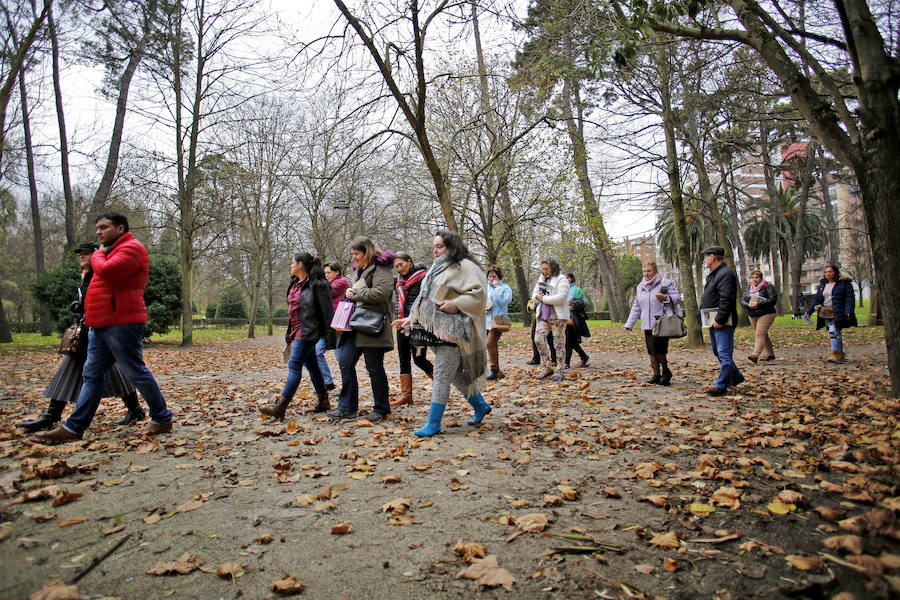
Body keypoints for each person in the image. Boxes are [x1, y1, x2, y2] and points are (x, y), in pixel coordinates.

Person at [36, 212, 174, 442]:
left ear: (120, 228)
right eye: (97, 228)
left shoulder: (131, 249)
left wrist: (98, 254)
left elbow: (107, 271)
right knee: (92, 376)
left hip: (122, 324)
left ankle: (161, 417)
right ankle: (74, 428)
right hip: (100, 325)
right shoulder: (110, 251)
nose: (98, 232)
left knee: (135, 372)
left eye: (103, 227)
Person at [21, 242, 144, 432]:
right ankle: (135, 409)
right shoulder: (87, 274)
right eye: (81, 253)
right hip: (92, 331)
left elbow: (105, 299)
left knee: (76, 368)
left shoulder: (99, 274)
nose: (82, 256)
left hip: (99, 331)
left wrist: (85, 307)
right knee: (111, 369)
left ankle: (53, 416)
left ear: (96, 256)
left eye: (86, 253)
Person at [394, 230, 491, 436]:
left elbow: (479, 294)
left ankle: (434, 423)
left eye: (440, 246)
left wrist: (457, 304)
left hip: (455, 331)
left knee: (440, 375)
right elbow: (424, 297)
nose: (435, 250)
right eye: (434, 247)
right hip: (437, 331)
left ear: (452, 246)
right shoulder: (436, 268)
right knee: (455, 375)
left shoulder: (465, 266)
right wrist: (410, 318)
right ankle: (481, 406)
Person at [327, 237, 395, 421]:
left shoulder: (381, 269)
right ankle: (347, 408)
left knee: (374, 369)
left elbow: (381, 293)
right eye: (353, 254)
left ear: (367, 252)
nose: (354, 257)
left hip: (373, 326)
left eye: (356, 253)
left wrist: (355, 293)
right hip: (356, 325)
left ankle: (381, 409)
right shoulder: (360, 270)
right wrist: (351, 293)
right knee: (346, 362)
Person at [260, 253, 334, 420]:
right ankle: (323, 401)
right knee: (312, 365)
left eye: (292, 263)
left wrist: (330, 336)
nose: (290, 265)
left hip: (309, 331)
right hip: (297, 329)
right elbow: (293, 310)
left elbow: (327, 311)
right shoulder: (295, 283)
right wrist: (289, 334)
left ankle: (281, 406)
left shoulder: (318, 284)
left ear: (300, 265)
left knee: (294, 364)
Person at [624, 262, 681, 385]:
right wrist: (630, 323)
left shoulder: (665, 283)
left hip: (661, 323)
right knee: (651, 350)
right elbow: (637, 306)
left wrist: (665, 298)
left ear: (655, 271)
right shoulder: (641, 286)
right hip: (647, 323)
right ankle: (656, 374)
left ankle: (666, 372)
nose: (646, 274)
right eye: (644, 271)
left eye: (649, 271)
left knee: (659, 350)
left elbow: (677, 298)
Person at [699, 246, 743, 396]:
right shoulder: (714, 275)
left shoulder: (725, 274)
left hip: (722, 321)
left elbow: (727, 298)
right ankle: (736, 376)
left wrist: (720, 319)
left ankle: (721, 385)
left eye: (706, 257)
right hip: (713, 320)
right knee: (717, 351)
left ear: (712, 257)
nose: (705, 260)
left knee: (724, 352)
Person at [391, 252, 433, 407]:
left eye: (401, 264)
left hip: (418, 324)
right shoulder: (397, 281)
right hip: (401, 324)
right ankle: (406, 395)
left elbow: (426, 301)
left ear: (410, 261)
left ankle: (441, 386)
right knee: (403, 360)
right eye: (396, 266)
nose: (398, 268)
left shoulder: (423, 278)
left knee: (419, 359)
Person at [804, 264, 857, 362]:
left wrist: (849, 311)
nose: (827, 274)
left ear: (835, 273)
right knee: (834, 332)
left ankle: (834, 353)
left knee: (833, 330)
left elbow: (850, 299)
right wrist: (809, 311)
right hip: (826, 313)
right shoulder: (823, 285)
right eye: (826, 272)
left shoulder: (844, 284)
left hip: (839, 312)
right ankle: (839, 353)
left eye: (830, 272)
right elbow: (817, 299)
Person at [531, 258, 570, 381]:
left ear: (553, 267)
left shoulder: (561, 279)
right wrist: (537, 297)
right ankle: (547, 368)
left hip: (558, 317)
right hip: (543, 316)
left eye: (546, 269)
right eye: (543, 269)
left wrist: (544, 299)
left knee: (558, 344)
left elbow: (562, 297)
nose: (544, 271)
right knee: (538, 339)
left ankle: (560, 371)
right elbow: (534, 295)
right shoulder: (541, 279)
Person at [315, 262, 350, 391]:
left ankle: (346, 388)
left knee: (341, 360)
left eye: (328, 273)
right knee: (317, 352)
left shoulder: (341, 282)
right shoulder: (327, 283)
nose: (326, 275)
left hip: (338, 327)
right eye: (324, 273)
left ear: (337, 272)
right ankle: (328, 382)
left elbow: (324, 293)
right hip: (328, 327)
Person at [741, 269, 778, 363]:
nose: (754, 279)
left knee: (759, 334)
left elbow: (773, 300)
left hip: (766, 313)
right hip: (752, 314)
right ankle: (770, 354)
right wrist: (747, 305)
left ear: (761, 278)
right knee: (763, 335)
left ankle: (755, 355)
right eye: (753, 277)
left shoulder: (768, 286)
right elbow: (743, 300)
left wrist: (759, 304)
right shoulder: (749, 288)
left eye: (757, 277)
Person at [485, 265, 513, 381]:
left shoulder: (505, 288)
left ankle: (494, 370)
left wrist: (497, 288)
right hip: (485, 321)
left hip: (498, 321)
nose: (492, 279)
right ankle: (497, 370)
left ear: (499, 276)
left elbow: (504, 301)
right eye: (490, 276)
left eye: (494, 276)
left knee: (490, 343)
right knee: (489, 345)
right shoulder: (486, 287)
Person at [563, 272, 590, 369]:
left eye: (567, 278)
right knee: (572, 341)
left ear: (572, 278)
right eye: (564, 278)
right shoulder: (561, 290)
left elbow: (585, 302)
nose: (566, 280)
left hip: (573, 319)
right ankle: (584, 356)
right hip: (562, 318)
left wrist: (574, 306)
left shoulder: (577, 290)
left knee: (568, 341)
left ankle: (566, 363)